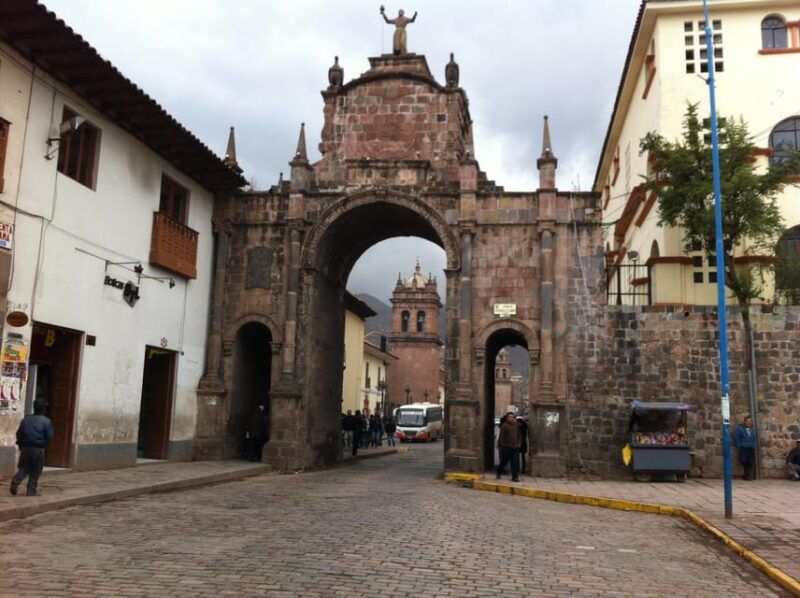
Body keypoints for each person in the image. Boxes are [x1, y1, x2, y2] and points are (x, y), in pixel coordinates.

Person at [10, 400, 54, 497]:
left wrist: (20, 444)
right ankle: (31, 490)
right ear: (43, 409)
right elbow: (49, 435)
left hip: (25, 447)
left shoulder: (26, 419)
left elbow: (19, 433)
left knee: (24, 468)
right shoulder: (46, 421)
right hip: (38, 448)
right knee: (36, 470)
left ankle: (17, 478)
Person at [496, 411, 521, 482]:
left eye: (512, 417)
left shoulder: (516, 425)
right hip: (507, 447)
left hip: (515, 447)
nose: (511, 418)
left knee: (515, 463)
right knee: (504, 462)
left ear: (514, 418)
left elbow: (519, 435)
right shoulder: (504, 425)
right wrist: (502, 445)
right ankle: (499, 472)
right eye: (509, 417)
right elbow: (501, 437)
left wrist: (519, 443)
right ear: (507, 418)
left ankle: (515, 477)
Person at [733, 416, 757, 480]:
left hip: (751, 447)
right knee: (744, 461)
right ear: (745, 421)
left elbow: (754, 438)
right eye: (747, 421)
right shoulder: (740, 429)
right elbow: (736, 437)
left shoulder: (753, 429)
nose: (749, 423)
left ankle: (748, 475)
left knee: (750, 462)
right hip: (743, 447)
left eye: (750, 421)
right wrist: (739, 445)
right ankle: (746, 475)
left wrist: (754, 445)